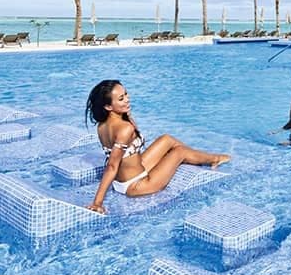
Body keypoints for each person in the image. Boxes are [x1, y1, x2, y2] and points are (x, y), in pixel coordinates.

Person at [84, 80, 229, 214]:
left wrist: (127, 115)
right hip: (137, 185)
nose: (127, 99)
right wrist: (98, 202)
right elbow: (112, 166)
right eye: (121, 99)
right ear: (108, 106)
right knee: (180, 151)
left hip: (128, 177)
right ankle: (214, 159)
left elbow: (129, 147)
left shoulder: (102, 126)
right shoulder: (124, 129)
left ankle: (193, 157)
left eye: (126, 94)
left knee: (166, 139)